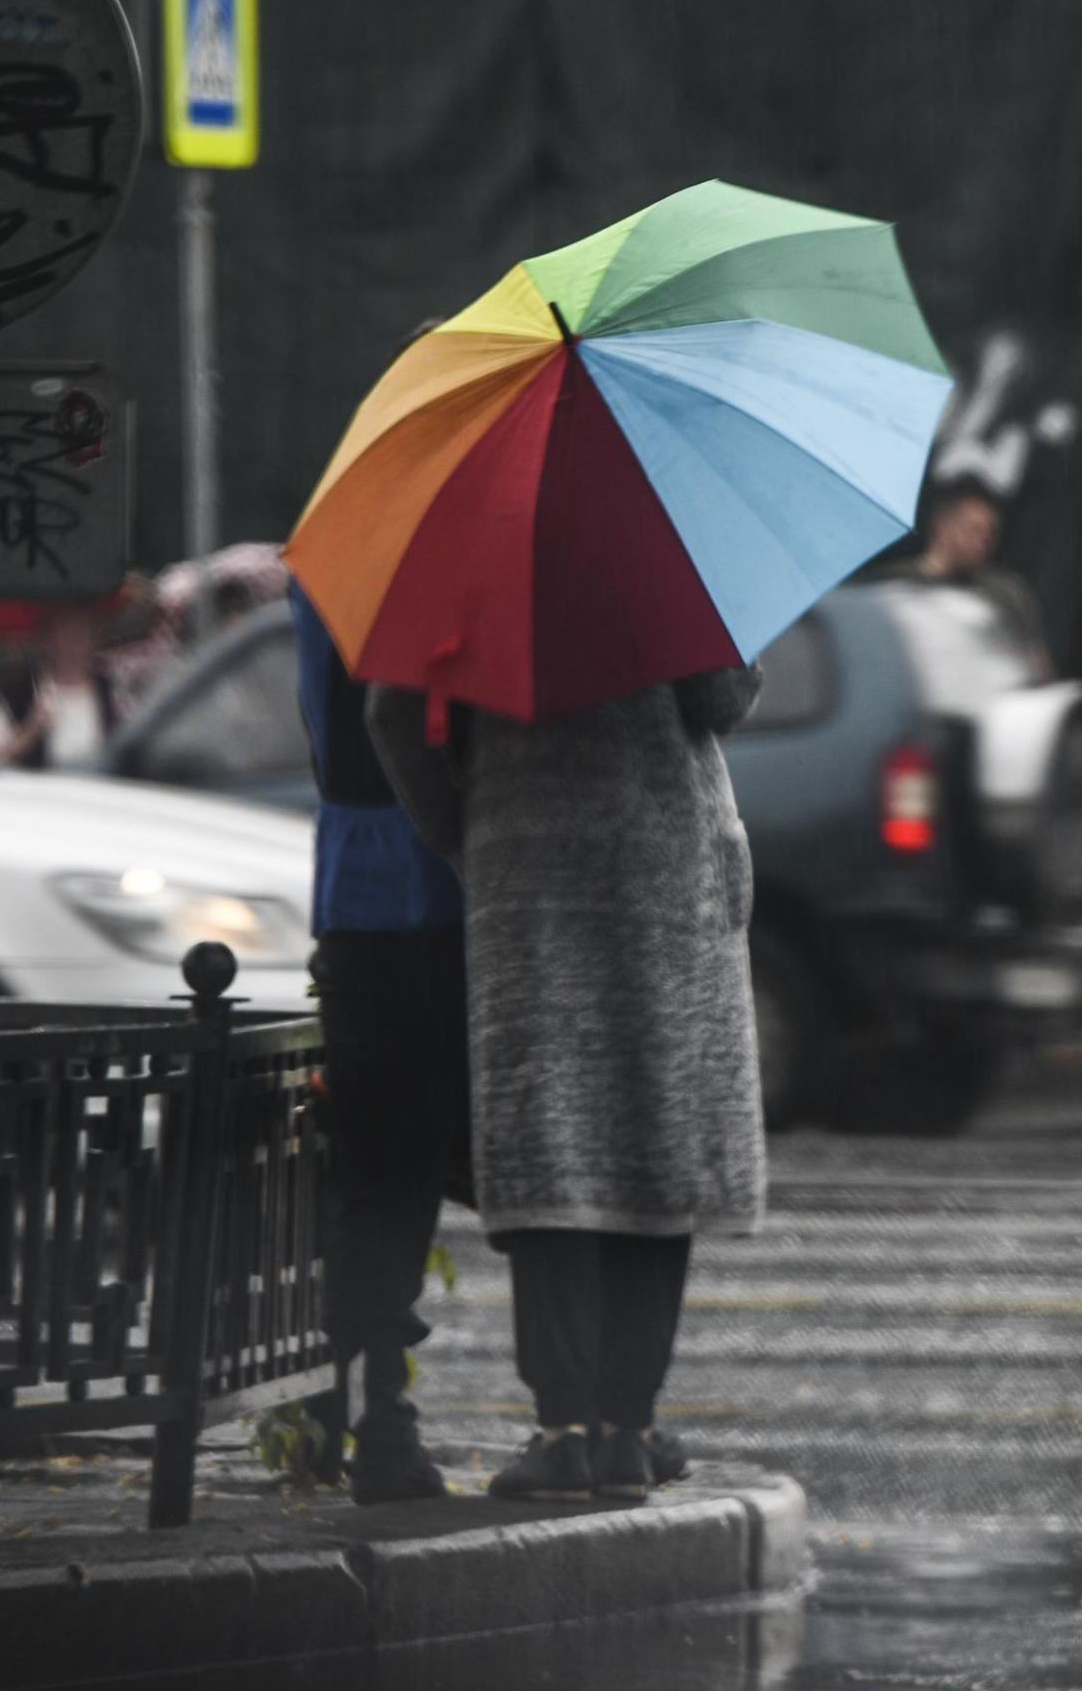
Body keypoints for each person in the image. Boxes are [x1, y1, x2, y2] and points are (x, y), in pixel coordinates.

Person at [368, 663, 767, 1504]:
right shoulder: (667, 547)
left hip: (527, 866)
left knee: (553, 1142)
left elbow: (393, 713)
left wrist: (466, 829)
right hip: (665, 862)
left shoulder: (474, 554)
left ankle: (563, 1433)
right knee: (654, 1134)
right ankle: (627, 1429)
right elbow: (721, 699)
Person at [290, 582, 473, 1504]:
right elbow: (392, 722)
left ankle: (362, 1414)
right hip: (422, 890)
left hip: (366, 891)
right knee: (394, 1174)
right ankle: (379, 1422)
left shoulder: (342, 550)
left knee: (383, 1175)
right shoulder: (404, 563)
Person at [904, 476, 1053, 678]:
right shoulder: (898, 588)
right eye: (973, 530)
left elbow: (1037, 667)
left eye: (990, 533)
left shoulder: (1006, 594)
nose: (982, 542)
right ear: (942, 525)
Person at [0, 602, 119, 768]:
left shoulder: (113, 690)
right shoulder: (16, 694)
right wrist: (30, 730)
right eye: (66, 630)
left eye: (83, 629)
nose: (76, 640)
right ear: (47, 639)